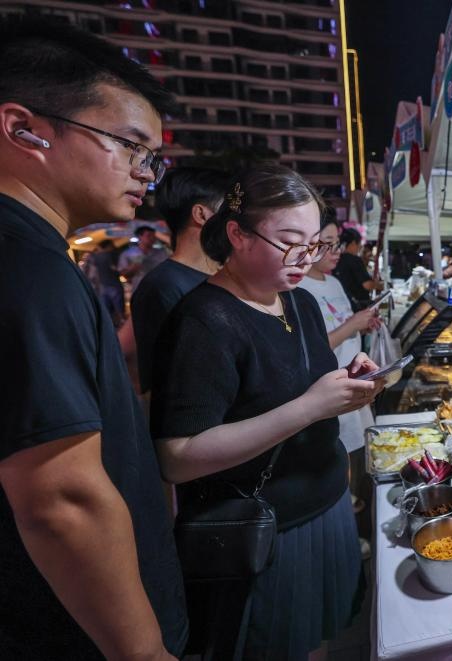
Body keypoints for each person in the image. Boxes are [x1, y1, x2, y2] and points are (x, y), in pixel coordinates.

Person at [0, 15, 187, 659]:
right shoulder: (29, 269)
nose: (146, 174)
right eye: (131, 146)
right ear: (23, 128)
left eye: (152, 157)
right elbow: (61, 498)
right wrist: (144, 650)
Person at [151, 164, 383, 659]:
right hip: (268, 525)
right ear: (237, 234)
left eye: (314, 245)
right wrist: (308, 407)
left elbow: (301, 380)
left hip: (327, 503)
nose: (306, 259)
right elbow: (177, 457)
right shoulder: (204, 320)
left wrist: (350, 380)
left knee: (320, 638)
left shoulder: (300, 304)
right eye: (290, 243)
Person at [297, 218, 380, 524]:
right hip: (329, 388)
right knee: (338, 458)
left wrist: (361, 325)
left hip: (354, 381)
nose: (336, 252)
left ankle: (352, 509)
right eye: (327, 244)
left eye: (338, 244)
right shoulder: (298, 288)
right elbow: (313, 349)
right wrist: (352, 325)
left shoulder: (333, 283)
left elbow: (344, 329)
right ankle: (345, 520)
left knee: (356, 453)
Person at [131, 166, 230, 394]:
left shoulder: (226, 274)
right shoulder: (163, 285)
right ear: (202, 214)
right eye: (230, 210)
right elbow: (168, 378)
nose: (240, 221)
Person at [334, 226, 380, 310]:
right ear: (353, 243)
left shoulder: (337, 259)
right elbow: (367, 285)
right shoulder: (355, 260)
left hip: (342, 304)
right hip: (358, 306)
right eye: (359, 244)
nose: (360, 247)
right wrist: (379, 285)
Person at [118, 224, 169, 291]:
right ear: (140, 237)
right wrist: (133, 267)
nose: (152, 238)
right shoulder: (128, 253)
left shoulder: (161, 253)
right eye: (148, 236)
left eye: (153, 236)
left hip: (159, 289)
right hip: (138, 289)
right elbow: (123, 274)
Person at [89, 237, 127, 325]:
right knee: (120, 309)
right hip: (114, 285)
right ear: (108, 246)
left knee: (108, 311)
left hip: (102, 287)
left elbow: (93, 274)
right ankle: (122, 324)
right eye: (112, 245)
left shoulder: (95, 257)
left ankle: (112, 327)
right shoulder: (112, 255)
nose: (114, 247)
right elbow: (117, 269)